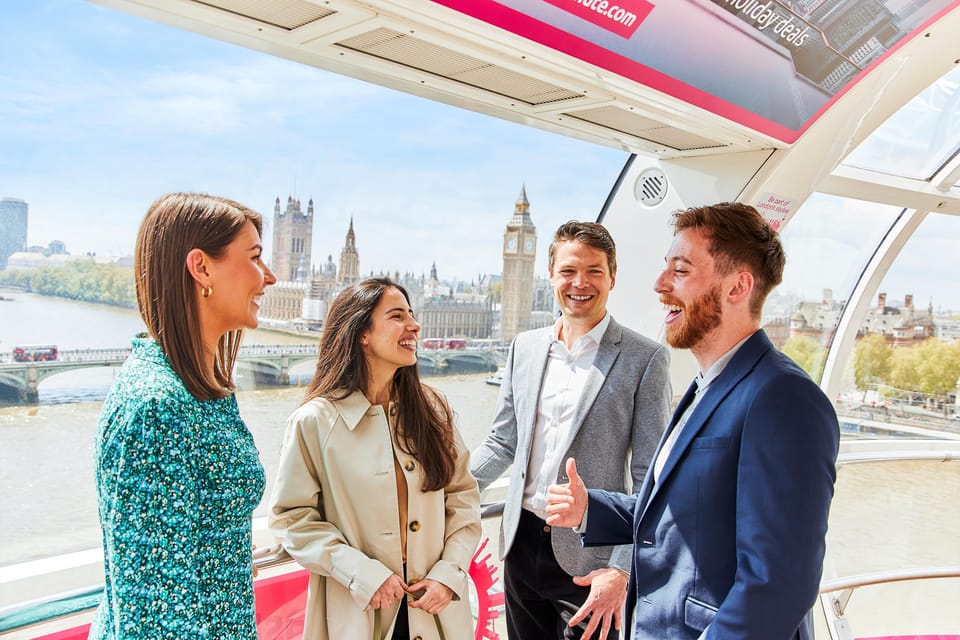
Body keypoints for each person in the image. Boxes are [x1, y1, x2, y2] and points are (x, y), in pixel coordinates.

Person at [546, 202, 841, 639]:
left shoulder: (784, 398)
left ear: (738, 286)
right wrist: (591, 509)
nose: (660, 284)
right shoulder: (706, 387)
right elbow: (683, 516)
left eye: (680, 271)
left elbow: (778, 584)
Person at [471, 221, 672, 640]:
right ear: (552, 275)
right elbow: (501, 441)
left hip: (591, 561)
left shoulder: (645, 359)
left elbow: (651, 478)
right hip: (521, 545)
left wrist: (620, 567)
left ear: (612, 277)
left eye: (594, 271)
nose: (580, 283)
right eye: (568, 271)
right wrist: (441, 491)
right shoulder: (523, 348)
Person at [90, 192, 277, 638]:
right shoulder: (156, 409)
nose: (268, 277)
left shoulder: (198, 390)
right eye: (254, 258)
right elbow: (156, 617)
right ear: (202, 268)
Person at [268, 277, 481, 640]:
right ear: (361, 333)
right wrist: (361, 573)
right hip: (358, 610)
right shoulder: (314, 422)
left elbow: (463, 500)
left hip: (434, 611)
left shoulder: (432, 410)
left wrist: (449, 574)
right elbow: (291, 519)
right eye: (397, 316)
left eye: (412, 315)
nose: (414, 325)